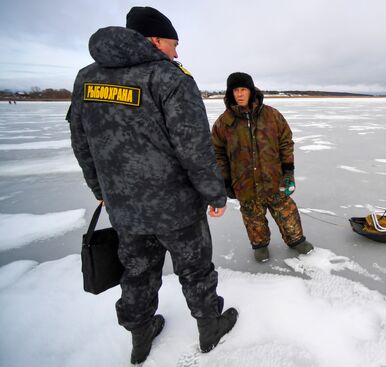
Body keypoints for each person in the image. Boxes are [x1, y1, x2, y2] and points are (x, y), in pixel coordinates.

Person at [67, 7, 237, 364]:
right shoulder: (168, 77)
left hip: (125, 207)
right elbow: (194, 147)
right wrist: (214, 193)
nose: (177, 53)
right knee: (195, 268)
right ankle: (210, 326)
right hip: (177, 207)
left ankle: (140, 335)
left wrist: (101, 191)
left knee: (137, 271)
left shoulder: (86, 78)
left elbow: (81, 143)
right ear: (156, 40)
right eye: (174, 45)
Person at [212, 72, 314, 262]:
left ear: (251, 91)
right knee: (252, 217)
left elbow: (286, 142)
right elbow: (218, 154)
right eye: (235, 90)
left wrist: (288, 171)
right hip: (244, 183)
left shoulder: (271, 115)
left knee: (287, 212)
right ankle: (260, 245)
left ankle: (296, 240)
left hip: (274, 179)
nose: (240, 94)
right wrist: (225, 181)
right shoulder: (223, 123)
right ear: (230, 93)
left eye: (243, 89)